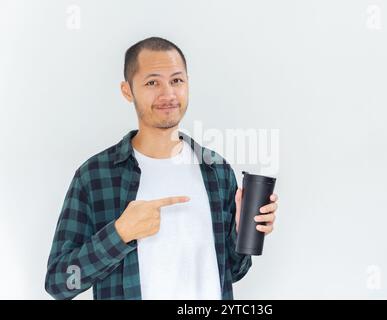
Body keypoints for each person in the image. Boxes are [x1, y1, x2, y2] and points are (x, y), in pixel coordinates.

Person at [45, 37, 279, 300]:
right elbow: (59, 282)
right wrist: (120, 233)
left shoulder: (217, 171)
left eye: (176, 80)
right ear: (127, 91)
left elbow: (233, 271)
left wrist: (241, 232)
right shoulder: (94, 176)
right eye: (152, 82)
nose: (168, 94)